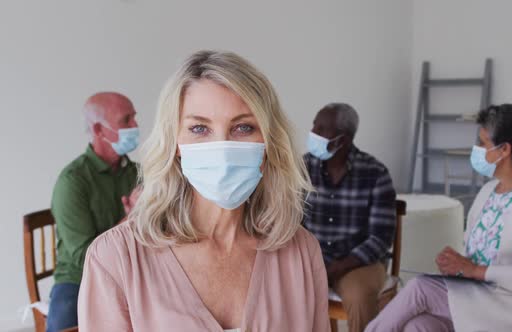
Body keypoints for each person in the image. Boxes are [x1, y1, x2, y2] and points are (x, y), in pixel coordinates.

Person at [77, 50, 330, 331]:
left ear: (269, 142)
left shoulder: (302, 252)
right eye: (199, 128)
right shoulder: (115, 258)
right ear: (174, 144)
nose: (221, 147)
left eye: (243, 127)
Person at [366, 104, 512, 332]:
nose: (475, 149)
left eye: (482, 143)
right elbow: (476, 257)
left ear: (504, 150)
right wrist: (457, 264)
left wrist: (473, 270)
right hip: (482, 299)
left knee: (420, 288)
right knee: (419, 326)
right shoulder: (487, 192)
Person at [47, 92, 140, 332]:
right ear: (99, 130)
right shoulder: (72, 181)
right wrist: (130, 219)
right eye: (126, 120)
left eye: (134, 118)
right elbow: (83, 256)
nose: (135, 126)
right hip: (79, 279)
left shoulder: (136, 173)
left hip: (132, 272)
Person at [304, 103, 397, 332]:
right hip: (312, 259)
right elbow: (289, 224)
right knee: (279, 291)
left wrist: (337, 268)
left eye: (321, 128)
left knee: (358, 295)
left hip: (359, 262)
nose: (313, 132)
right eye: (314, 125)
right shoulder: (302, 168)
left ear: (341, 140)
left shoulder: (375, 173)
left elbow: (380, 238)